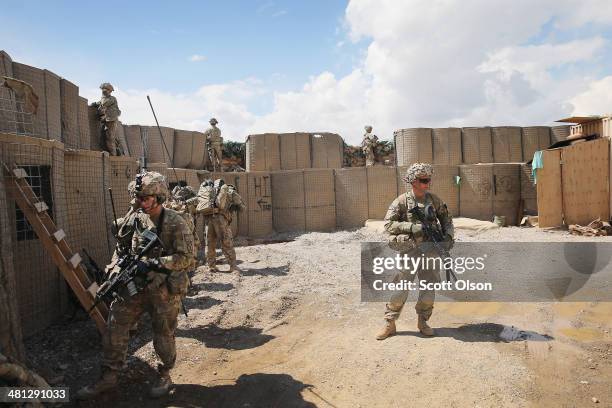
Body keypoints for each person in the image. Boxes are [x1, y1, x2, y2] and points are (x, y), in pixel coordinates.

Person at [76, 171, 195, 400]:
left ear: (158, 197)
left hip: (163, 289)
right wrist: (115, 271)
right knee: (115, 327)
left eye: (144, 198)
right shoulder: (135, 218)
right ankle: (108, 377)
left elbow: (187, 258)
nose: (139, 202)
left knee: (163, 334)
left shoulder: (174, 222)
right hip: (134, 285)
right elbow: (122, 249)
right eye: (137, 197)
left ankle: (164, 374)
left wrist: (154, 263)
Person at [376, 163, 454, 340]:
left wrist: (448, 238)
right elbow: (388, 224)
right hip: (410, 250)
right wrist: (412, 227)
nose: (427, 183)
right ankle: (390, 322)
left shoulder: (434, 201)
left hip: (431, 250)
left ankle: (423, 321)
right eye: (423, 180)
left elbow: (447, 221)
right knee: (401, 287)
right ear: (413, 181)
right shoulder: (402, 201)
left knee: (429, 286)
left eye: (429, 179)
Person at [197, 178, 245, 272]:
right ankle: (233, 266)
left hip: (208, 218)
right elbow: (242, 208)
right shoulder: (230, 191)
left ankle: (211, 266)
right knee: (226, 241)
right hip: (220, 219)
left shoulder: (208, 192)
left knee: (210, 243)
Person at [92, 83, 122, 156]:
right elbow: (100, 102)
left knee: (110, 137)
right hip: (107, 119)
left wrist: (102, 96)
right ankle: (114, 152)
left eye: (105, 90)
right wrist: (95, 103)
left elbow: (104, 103)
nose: (104, 91)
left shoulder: (112, 99)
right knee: (107, 136)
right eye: (103, 90)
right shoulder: (107, 98)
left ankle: (113, 154)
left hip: (111, 120)